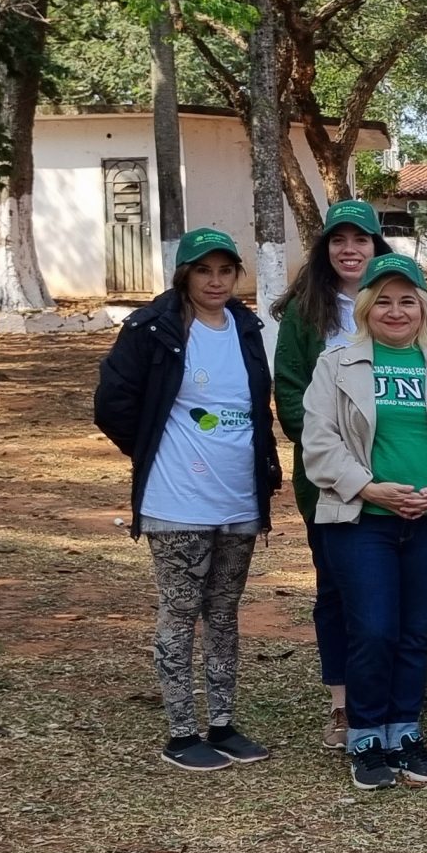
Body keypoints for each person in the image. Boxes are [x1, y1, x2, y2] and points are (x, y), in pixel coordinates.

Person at [93, 228, 282, 771]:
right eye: (204, 271)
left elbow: (255, 407)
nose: (215, 282)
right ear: (185, 275)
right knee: (179, 612)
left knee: (223, 613)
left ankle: (222, 723)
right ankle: (181, 732)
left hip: (239, 498)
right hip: (177, 500)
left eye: (225, 271)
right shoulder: (153, 327)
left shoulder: (246, 327)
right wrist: (157, 450)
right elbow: (113, 404)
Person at [301, 253, 427, 792]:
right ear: (365, 307)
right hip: (362, 519)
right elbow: (319, 441)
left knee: (413, 633)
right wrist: (368, 486)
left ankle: (404, 731)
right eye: (383, 300)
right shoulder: (336, 363)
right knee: (373, 629)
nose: (396, 310)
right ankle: (365, 735)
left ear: (423, 307)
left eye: (407, 300)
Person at [271, 197, 389, 747]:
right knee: (337, 589)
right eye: (338, 240)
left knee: (389, 589)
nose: (349, 250)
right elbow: (291, 395)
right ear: (325, 249)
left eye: (360, 239)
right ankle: (342, 702)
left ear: (376, 246)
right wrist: (339, 457)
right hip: (327, 479)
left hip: (396, 472)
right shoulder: (306, 312)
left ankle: (389, 694)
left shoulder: (397, 303)